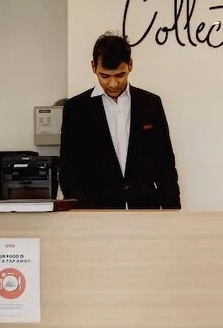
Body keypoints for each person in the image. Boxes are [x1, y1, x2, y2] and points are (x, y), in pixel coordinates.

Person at [59, 32, 180, 209]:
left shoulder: (150, 103)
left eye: (120, 75)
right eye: (105, 76)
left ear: (130, 65)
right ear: (93, 67)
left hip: (145, 212)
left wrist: (173, 214)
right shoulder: (76, 109)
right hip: (95, 214)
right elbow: (68, 171)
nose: (113, 84)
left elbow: (165, 165)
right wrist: (82, 215)